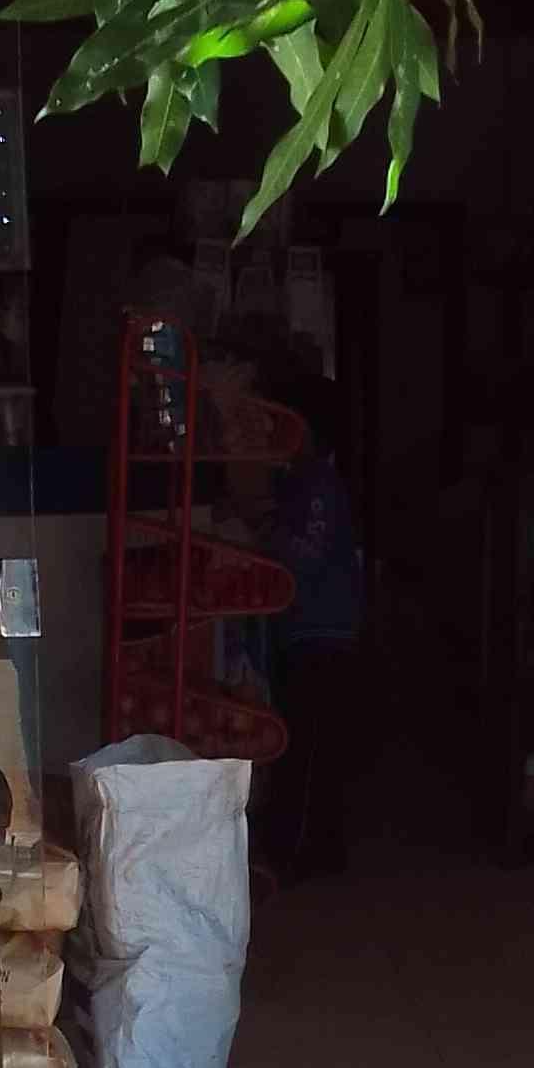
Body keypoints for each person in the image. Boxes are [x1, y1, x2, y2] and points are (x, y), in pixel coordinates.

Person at [198, 326, 367, 880]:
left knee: (307, 752)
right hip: (306, 633)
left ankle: (298, 854)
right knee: (308, 749)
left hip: (324, 635)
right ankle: (313, 851)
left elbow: (301, 557)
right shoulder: (301, 482)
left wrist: (257, 522)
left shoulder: (318, 486)